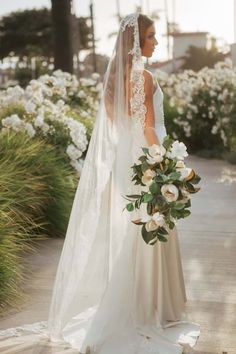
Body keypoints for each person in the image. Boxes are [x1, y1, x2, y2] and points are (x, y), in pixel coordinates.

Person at [0, 13, 200, 354]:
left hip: (129, 164)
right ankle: (145, 310)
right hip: (149, 162)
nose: (155, 42)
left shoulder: (112, 81)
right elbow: (150, 126)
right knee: (150, 232)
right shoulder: (145, 78)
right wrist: (165, 164)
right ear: (135, 42)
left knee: (138, 232)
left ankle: (141, 306)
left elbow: (121, 127)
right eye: (150, 37)